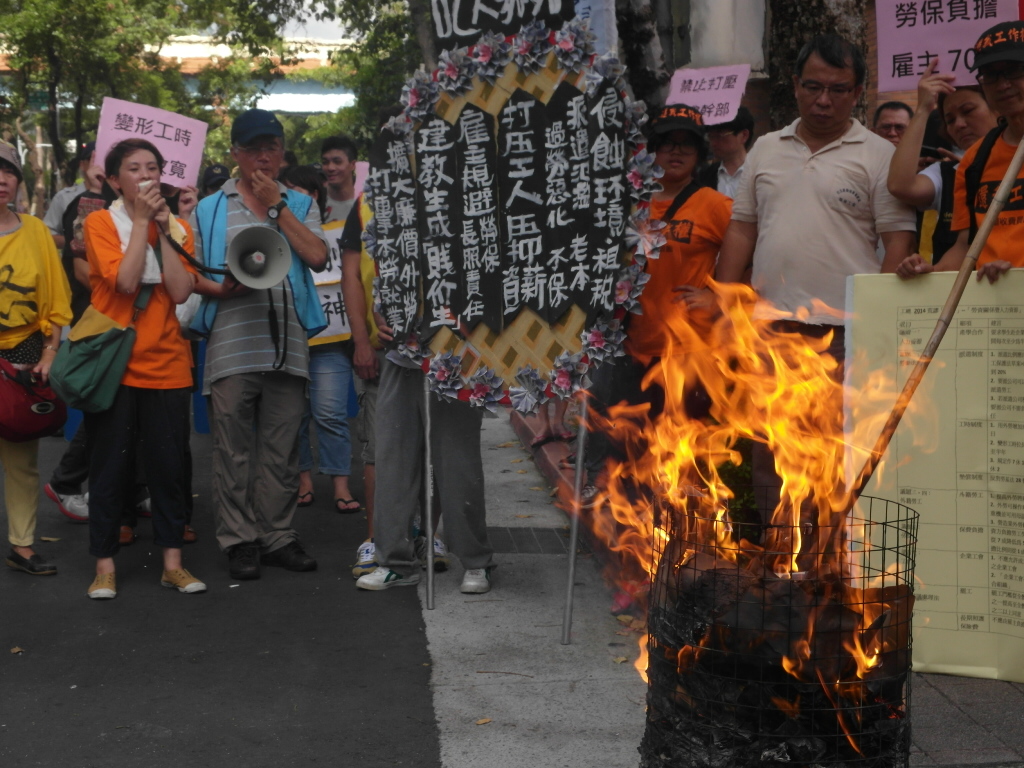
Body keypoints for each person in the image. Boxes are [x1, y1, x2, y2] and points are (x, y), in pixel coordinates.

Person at [711, 34, 916, 502]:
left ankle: (826, 560)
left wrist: (876, 328)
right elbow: (742, 230)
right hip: (768, 326)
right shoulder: (766, 147)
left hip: (842, 333)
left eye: (838, 89)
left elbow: (896, 244)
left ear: (858, 91)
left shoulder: (879, 156)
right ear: (795, 86)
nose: (824, 100)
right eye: (813, 86)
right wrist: (724, 303)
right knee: (767, 449)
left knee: (832, 448)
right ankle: (778, 558)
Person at [190, 109, 328, 581]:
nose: (263, 156)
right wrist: (218, 288)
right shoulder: (208, 208)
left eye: (272, 146)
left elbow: (316, 255)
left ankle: (278, 537)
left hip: (288, 343)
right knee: (232, 448)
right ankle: (239, 540)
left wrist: (278, 208)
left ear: (284, 151)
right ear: (235, 155)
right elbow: (191, 274)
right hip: (232, 342)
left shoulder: (301, 202)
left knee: (282, 446)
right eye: (253, 148)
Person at [584, 105, 732, 503]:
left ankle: (680, 541)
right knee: (630, 449)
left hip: (689, 353)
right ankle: (637, 536)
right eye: (665, 144)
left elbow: (752, 256)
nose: (675, 152)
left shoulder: (714, 205)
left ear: (701, 154)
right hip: (631, 349)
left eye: (686, 145)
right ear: (650, 153)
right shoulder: (631, 204)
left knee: (683, 455)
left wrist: (719, 296)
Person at [81, 138, 204, 598]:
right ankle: (105, 565)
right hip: (113, 365)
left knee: (168, 467)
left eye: (153, 166)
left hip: (168, 362)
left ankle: (173, 563)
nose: (145, 175)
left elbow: (178, 291)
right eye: (133, 168)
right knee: (110, 468)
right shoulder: (98, 223)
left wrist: (162, 228)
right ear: (114, 180)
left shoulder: (176, 227)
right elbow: (127, 281)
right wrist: (137, 225)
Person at [895, 20, 1024, 285]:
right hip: (996, 308)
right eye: (990, 74)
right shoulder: (976, 159)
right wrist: (931, 272)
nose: (1002, 84)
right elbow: (965, 246)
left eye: (1014, 71)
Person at [0, 141, 73, 576]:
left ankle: (22, 544)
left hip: (23, 351)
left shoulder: (35, 232)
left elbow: (56, 300)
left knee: (21, 456)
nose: (1, 179)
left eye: (8, 171)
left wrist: (50, 351)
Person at [280, 161, 359, 513]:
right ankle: (303, 479)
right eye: (287, 191)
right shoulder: (273, 234)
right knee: (293, 417)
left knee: (330, 414)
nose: (292, 197)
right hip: (289, 340)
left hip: (330, 343)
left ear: (315, 197)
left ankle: (341, 484)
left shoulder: (338, 234)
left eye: (300, 191)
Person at [887, 59, 999, 264]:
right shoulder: (946, 173)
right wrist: (922, 109)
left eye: (968, 110)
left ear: (997, 108)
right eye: (950, 120)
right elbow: (899, 186)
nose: (959, 124)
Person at [697, 106, 755, 200]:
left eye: (720, 135)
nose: (713, 143)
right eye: (711, 136)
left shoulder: (760, 172)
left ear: (744, 135)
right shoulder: (705, 176)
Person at [43, 141, 93, 249]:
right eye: (92, 159)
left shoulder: (119, 197)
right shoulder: (64, 198)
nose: (98, 164)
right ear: (82, 165)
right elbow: (46, 235)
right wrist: (77, 242)